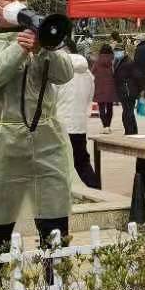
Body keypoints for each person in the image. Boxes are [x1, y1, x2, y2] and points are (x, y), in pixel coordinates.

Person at [0, 0, 74, 280]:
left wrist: (43, 48)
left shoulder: (41, 38)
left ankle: (56, 289)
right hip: (2, 145)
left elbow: (65, 74)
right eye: (10, 0)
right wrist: (18, 49)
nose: (18, 3)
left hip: (46, 142)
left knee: (54, 221)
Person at [55, 39, 98, 188]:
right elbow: (90, 97)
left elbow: (50, 98)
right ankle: (96, 190)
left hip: (60, 125)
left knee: (58, 164)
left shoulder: (58, 71)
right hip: (79, 125)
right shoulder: (88, 73)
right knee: (82, 162)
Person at [112, 46, 141, 135]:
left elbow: (136, 77)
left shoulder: (128, 62)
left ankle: (130, 131)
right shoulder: (118, 61)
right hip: (123, 90)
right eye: (116, 51)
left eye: (119, 51)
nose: (117, 53)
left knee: (127, 112)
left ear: (123, 51)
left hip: (128, 90)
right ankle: (132, 131)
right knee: (128, 111)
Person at [91, 44, 116, 133]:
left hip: (99, 87)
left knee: (101, 108)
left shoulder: (97, 61)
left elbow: (92, 72)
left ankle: (105, 126)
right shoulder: (113, 61)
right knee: (110, 107)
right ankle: (108, 126)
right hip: (110, 87)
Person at [133, 34, 145, 104]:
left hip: (139, 72)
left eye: (136, 39)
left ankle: (142, 103)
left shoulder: (138, 49)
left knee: (141, 88)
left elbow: (136, 60)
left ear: (139, 41)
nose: (135, 41)